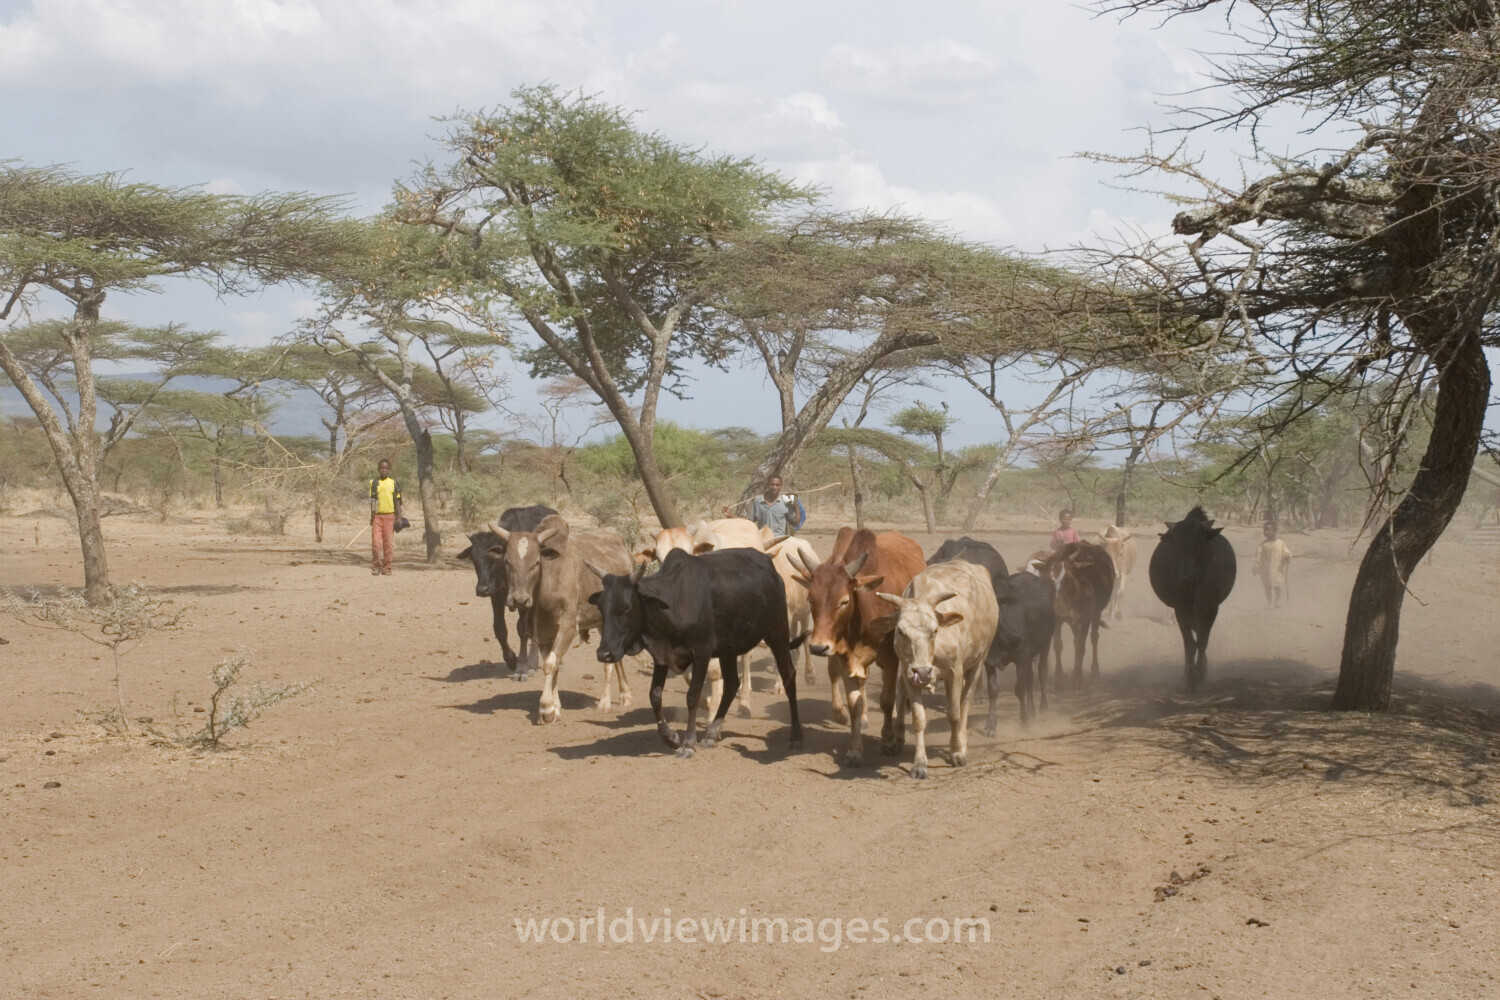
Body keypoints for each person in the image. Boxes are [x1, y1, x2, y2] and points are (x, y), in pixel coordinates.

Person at [724, 476, 799, 537]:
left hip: (779, 541)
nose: (774, 487)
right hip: (761, 540)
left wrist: (796, 503)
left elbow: (795, 522)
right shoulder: (758, 500)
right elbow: (750, 521)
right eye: (772, 484)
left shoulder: (785, 501)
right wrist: (730, 515)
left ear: (781, 486)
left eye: (777, 485)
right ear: (768, 485)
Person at [368, 458, 402, 576]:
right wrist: (372, 516)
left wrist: (399, 517)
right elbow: (373, 500)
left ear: (389, 469)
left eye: (386, 468)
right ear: (378, 469)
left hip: (389, 516)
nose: (383, 470)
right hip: (377, 517)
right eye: (382, 468)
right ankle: (376, 566)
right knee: (376, 543)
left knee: (388, 544)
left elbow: (398, 501)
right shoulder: (373, 482)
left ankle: (387, 568)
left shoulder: (393, 483)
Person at [1253, 521, 1293, 608]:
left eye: (1268, 530)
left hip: (1277, 569)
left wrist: (1286, 557)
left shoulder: (1280, 543)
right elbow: (1258, 555)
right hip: (1265, 569)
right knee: (1268, 586)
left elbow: (1286, 552)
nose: (1266, 532)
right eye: (1265, 530)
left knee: (1277, 585)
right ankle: (1269, 602)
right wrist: (1256, 566)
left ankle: (1277, 599)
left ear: (1274, 531)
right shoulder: (1263, 544)